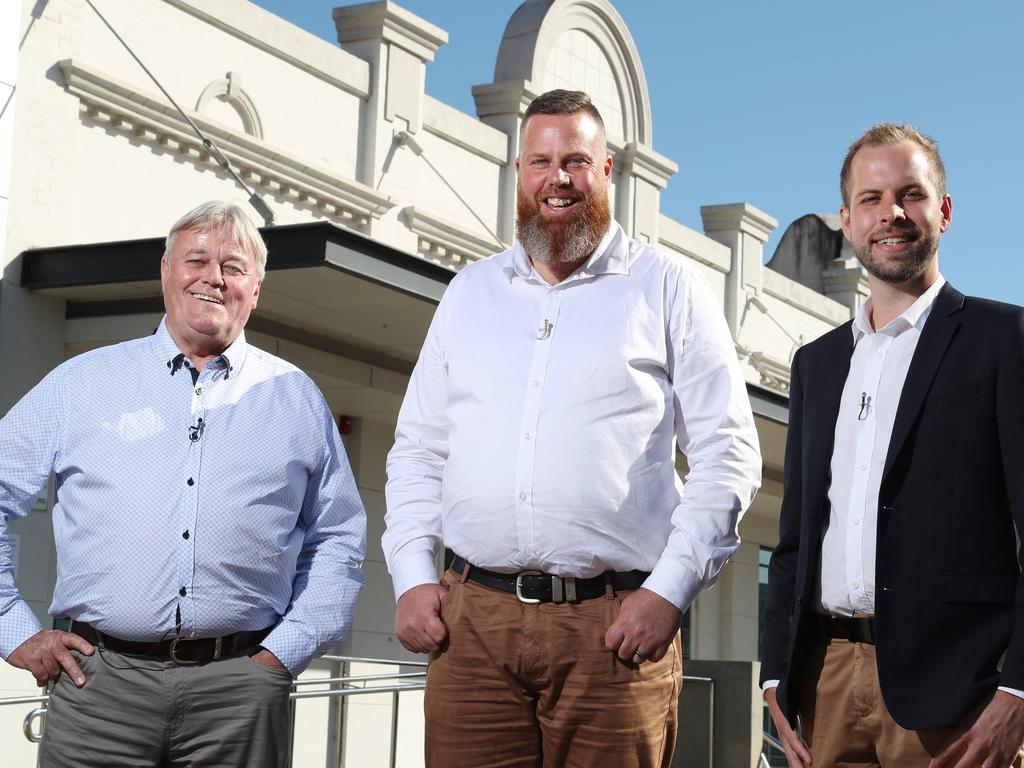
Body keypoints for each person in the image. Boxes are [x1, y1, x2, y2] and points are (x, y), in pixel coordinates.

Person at [383, 89, 762, 767]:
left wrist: (667, 593)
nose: (557, 178)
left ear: (607, 170)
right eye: (541, 161)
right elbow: (418, 449)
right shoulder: (469, 293)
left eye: (576, 161)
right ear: (520, 172)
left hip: (614, 630)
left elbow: (728, 456)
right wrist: (412, 573)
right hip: (472, 628)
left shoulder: (668, 288)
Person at [0, 201, 367, 767]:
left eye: (234, 266)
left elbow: (338, 538)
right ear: (166, 272)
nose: (214, 277)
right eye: (196, 259)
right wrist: (15, 630)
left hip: (239, 694)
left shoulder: (295, 398)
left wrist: (282, 656)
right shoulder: (82, 382)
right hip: (95, 687)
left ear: (256, 289)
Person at [762, 124, 1024, 768]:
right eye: (873, 199)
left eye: (911, 194)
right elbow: (796, 536)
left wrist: (1019, 690)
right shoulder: (814, 364)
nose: (893, 214)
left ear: (945, 210)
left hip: (957, 691)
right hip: (824, 684)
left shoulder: (1004, 340)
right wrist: (774, 676)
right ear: (849, 221)